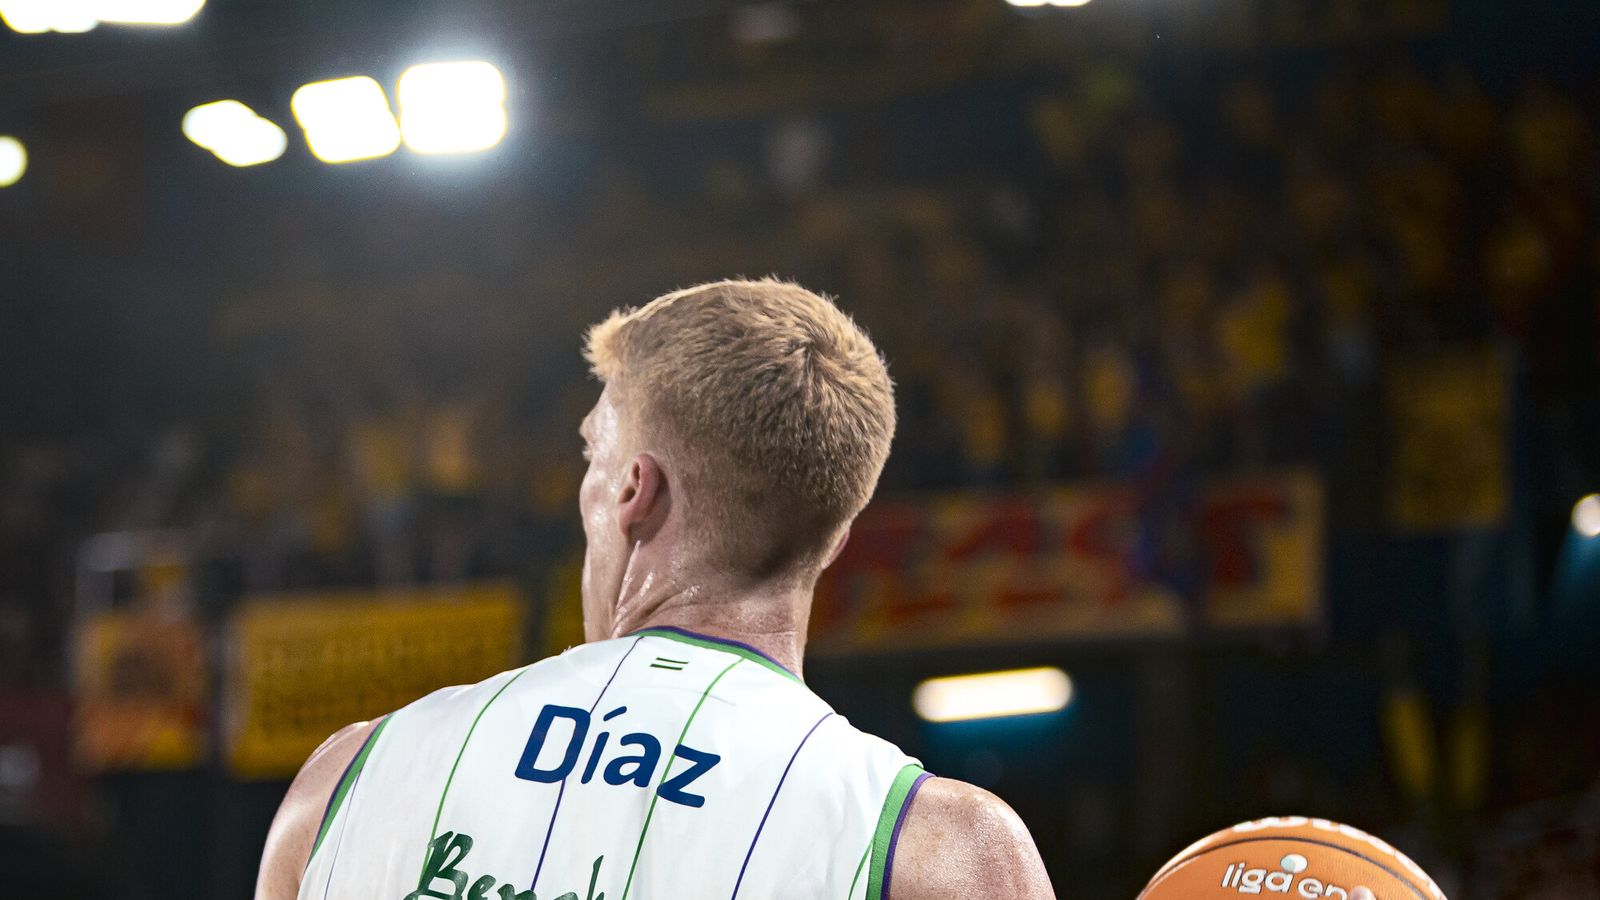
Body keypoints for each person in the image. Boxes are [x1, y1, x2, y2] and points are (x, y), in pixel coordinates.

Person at [255, 279, 1056, 900]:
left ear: (635, 490)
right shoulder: (944, 854)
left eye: (590, 456)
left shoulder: (350, 778)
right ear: (837, 536)